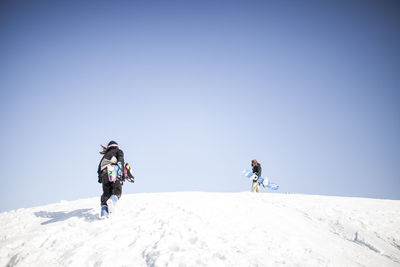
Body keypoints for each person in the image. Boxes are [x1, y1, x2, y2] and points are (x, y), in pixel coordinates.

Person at [97, 141, 125, 218]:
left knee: (106, 194)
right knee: (117, 190)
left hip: (103, 174)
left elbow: (98, 169)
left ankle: (104, 214)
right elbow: (120, 161)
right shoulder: (118, 151)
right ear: (117, 146)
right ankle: (112, 201)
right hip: (112, 170)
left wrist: (100, 178)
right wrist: (122, 175)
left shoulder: (104, 156)